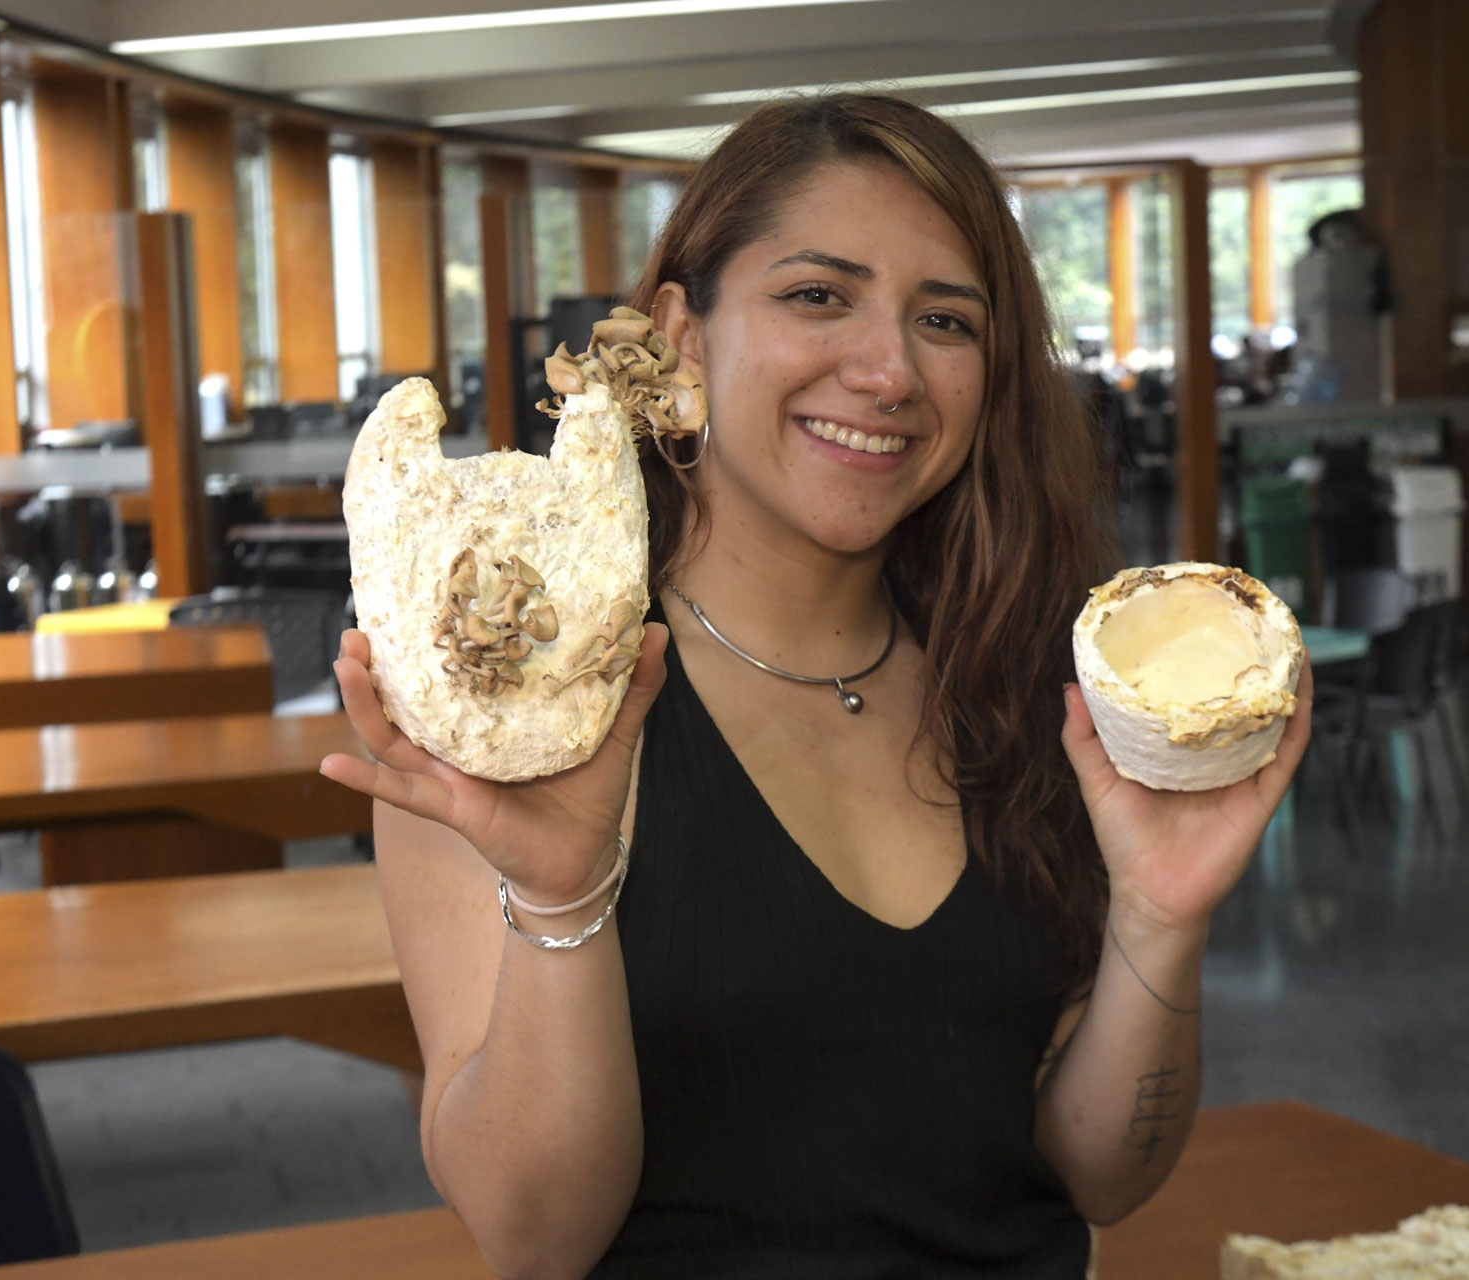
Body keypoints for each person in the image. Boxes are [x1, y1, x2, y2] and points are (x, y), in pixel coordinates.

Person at [320, 93, 1312, 1279]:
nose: (889, 371)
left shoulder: (1021, 681)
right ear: (681, 338)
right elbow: (535, 1238)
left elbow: (1100, 1172)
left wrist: (1160, 916)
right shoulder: (502, 714)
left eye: (944, 319)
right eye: (818, 296)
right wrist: (561, 896)